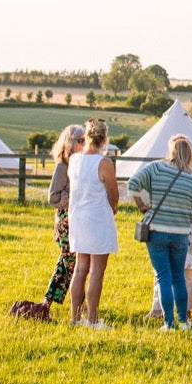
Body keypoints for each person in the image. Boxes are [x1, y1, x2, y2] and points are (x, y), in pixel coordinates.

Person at [128, 134, 192, 331]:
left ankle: (168, 323)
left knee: (163, 277)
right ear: (189, 154)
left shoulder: (156, 168)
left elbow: (133, 183)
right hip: (180, 234)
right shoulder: (191, 178)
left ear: (171, 151)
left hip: (157, 232)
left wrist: (141, 205)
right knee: (178, 277)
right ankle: (183, 321)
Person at [148, 138, 192, 321]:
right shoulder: (169, 169)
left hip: (190, 224)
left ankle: (185, 311)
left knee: (186, 271)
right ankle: (159, 308)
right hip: (177, 221)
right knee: (166, 270)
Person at [67, 118, 118, 329]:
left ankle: (75, 317)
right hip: (97, 218)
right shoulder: (103, 163)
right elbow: (113, 195)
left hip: (78, 217)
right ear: (104, 139)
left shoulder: (74, 159)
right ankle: (92, 319)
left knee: (80, 268)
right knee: (97, 270)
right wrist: (113, 208)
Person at [41, 124, 85, 309]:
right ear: (70, 143)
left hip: (76, 219)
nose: (84, 145)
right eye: (80, 141)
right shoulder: (62, 166)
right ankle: (83, 306)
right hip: (66, 221)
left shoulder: (79, 164)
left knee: (68, 264)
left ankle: (48, 303)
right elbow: (53, 197)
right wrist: (70, 195)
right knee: (72, 264)